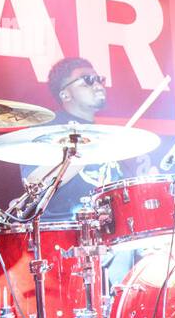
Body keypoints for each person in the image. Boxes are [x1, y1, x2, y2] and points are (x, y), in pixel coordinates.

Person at [22, 57, 116, 219]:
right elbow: (34, 184)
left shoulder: (109, 135)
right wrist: (85, 152)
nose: (98, 85)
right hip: (63, 231)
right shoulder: (46, 130)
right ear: (65, 94)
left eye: (99, 79)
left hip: (109, 231)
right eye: (88, 80)